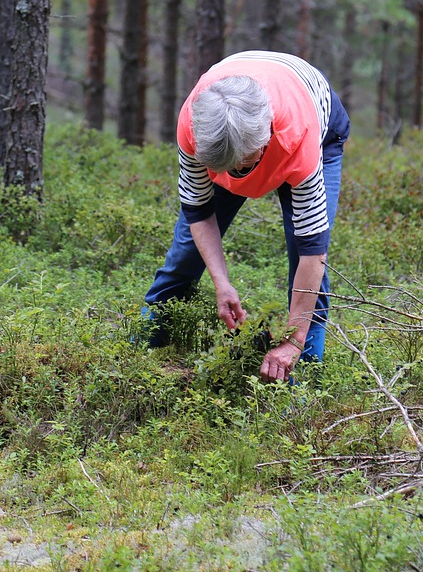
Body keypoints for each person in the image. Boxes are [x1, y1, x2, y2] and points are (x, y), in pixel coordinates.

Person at [143, 50, 349, 382]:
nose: (240, 173)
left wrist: (293, 340)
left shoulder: (296, 138)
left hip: (312, 121)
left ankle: (307, 373)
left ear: (265, 138)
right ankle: (141, 355)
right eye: (229, 166)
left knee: (304, 260)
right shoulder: (196, 130)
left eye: (246, 162)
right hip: (234, 125)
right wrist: (221, 285)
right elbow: (198, 212)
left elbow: (313, 249)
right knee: (184, 256)